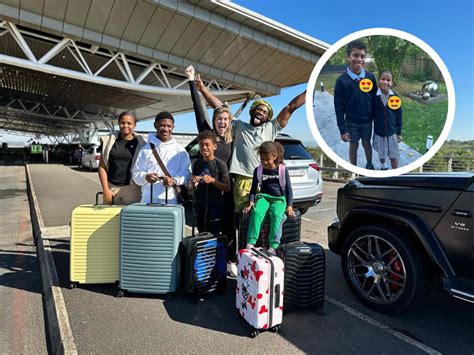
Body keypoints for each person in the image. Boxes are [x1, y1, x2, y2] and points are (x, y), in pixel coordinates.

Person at [196, 75, 305, 213]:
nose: (261, 112)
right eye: (258, 109)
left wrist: (309, 91)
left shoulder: (271, 127)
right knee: (242, 217)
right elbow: (220, 108)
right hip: (242, 180)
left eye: (264, 112)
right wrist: (202, 89)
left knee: (261, 218)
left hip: (264, 180)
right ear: (253, 111)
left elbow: (290, 107)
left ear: (268, 117)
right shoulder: (239, 126)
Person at [185, 66, 238, 275]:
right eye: (219, 119)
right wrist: (193, 83)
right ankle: (206, 259)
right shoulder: (208, 135)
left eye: (225, 119)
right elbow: (199, 109)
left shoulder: (234, 140)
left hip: (225, 191)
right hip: (205, 192)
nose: (222, 122)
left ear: (229, 121)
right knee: (205, 226)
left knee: (228, 226)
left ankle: (229, 260)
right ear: (215, 121)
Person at [243, 141, 295, 254]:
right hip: (263, 197)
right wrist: (251, 203)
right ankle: (251, 242)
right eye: (262, 159)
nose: (265, 162)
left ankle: (273, 246)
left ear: (275, 157)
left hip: (279, 199)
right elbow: (253, 189)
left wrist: (289, 206)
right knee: (256, 212)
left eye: (267, 159)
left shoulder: (282, 169)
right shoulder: (258, 170)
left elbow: (289, 189)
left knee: (276, 215)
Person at [334, 40, 377, 169]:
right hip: (351, 122)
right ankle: (354, 167)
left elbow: (375, 99)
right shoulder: (341, 81)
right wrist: (342, 129)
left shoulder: (370, 77)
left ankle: (369, 163)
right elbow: (339, 107)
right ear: (348, 57)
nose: (359, 59)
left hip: (367, 121)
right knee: (353, 145)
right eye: (355, 55)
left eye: (362, 56)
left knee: (366, 143)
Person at [132, 111, 191, 204]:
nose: (165, 129)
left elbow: (187, 175)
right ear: (155, 125)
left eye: (169, 126)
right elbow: (136, 174)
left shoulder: (180, 151)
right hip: (148, 199)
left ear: (173, 127)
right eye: (162, 125)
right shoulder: (145, 150)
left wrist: (174, 180)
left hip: (172, 200)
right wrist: (145, 177)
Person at [98, 111, 146, 205]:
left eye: (129, 123)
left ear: (134, 125)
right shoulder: (109, 141)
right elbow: (102, 167)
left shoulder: (141, 144)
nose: (125, 126)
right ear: (119, 124)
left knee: (129, 219)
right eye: (122, 123)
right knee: (110, 218)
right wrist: (105, 189)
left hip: (133, 190)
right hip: (112, 188)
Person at [191, 130, 230, 235]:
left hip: (216, 207)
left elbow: (227, 187)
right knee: (201, 234)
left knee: (214, 236)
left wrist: (212, 180)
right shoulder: (197, 164)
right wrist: (194, 182)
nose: (204, 148)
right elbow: (193, 186)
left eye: (207, 145)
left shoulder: (220, 164)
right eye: (201, 145)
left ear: (214, 146)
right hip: (200, 206)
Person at [372, 70, 403, 170]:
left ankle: (395, 171)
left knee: (393, 155)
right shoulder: (374, 97)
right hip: (379, 132)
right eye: (383, 79)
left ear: (392, 83)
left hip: (391, 132)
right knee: (382, 153)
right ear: (379, 80)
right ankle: (383, 165)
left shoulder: (395, 97)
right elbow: (370, 114)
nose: (385, 82)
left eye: (388, 80)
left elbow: (399, 116)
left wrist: (399, 133)